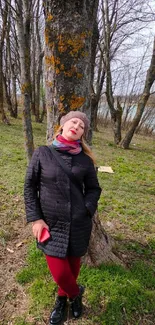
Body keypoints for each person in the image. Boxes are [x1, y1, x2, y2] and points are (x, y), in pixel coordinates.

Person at [24, 111, 101, 325]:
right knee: (60, 272)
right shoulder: (42, 153)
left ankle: (62, 299)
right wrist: (36, 219)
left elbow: (94, 189)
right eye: (73, 122)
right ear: (63, 125)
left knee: (72, 265)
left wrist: (87, 209)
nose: (76, 126)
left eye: (81, 126)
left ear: (82, 134)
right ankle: (76, 294)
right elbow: (29, 186)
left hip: (78, 222)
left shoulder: (85, 160)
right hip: (50, 223)